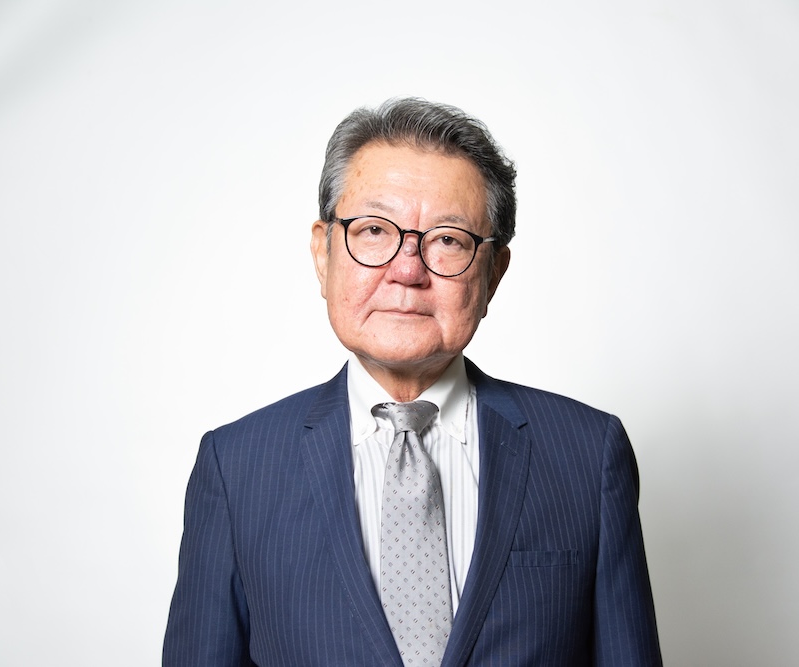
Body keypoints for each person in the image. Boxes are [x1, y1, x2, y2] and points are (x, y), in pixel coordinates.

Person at [163, 98, 663, 666]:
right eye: (374, 230)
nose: (407, 270)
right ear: (323, 255)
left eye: (448, 239)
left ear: (493, 274)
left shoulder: (587, 455)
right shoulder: (236, 468)